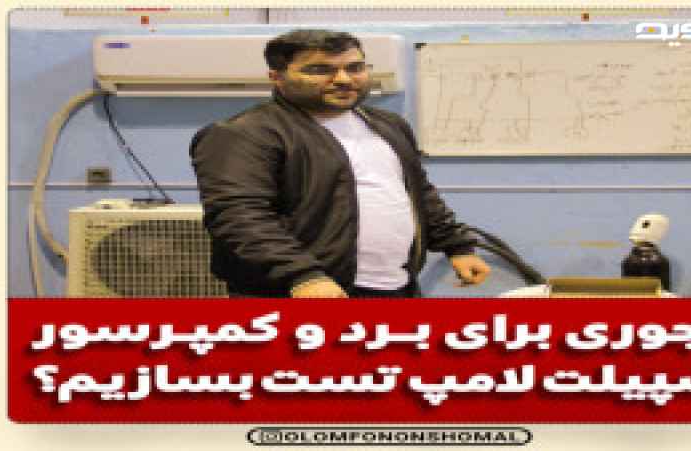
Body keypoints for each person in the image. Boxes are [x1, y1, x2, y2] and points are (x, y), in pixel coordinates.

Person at [190, 29, 490, 298]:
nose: (344, 79)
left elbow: (418, 191)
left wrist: (456, 245)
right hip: (303, 291)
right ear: (276, 77)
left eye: (355, 67)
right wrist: (302, 275)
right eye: (320, 70)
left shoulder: (389, 125)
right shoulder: (244, 134)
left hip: (395, 286)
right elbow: (238, 215)